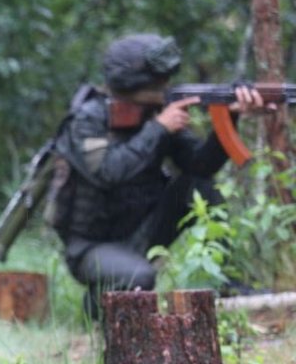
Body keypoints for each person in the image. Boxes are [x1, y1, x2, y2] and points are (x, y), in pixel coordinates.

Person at [51, 33, 272, 318]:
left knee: (197, 186)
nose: (165, 87)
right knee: (141, 278)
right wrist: (158, 128)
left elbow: (201, 166)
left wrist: (229, 117)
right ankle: (97, 303)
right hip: (92, 246)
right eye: (159, 83)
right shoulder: (88, 119)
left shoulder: (155, 113)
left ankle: (224, 280)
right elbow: (107, 172)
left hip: (144, 231)